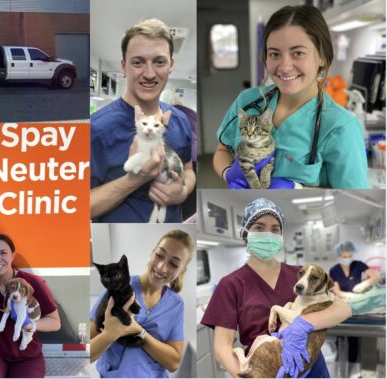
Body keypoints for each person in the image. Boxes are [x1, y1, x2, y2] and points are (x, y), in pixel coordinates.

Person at [213, 5, 369, 189]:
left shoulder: (341, 128)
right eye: (274, 54)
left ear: (322, 57)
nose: (285, 66)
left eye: (298, 53)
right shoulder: (248, 102)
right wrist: (228, 174)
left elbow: (352, 202)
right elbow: (223, 150)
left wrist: (297, 189)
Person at [201, 198, 352, 378]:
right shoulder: (230, 284)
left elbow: (343, 308)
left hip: (309, 362)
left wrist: (304, 325)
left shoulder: (300, 275)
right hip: (267, 366)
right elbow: (222, 348)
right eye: (259, 227)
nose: (268, 234)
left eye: (275, 229)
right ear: (245, 233)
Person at [90, 18, 196, 223]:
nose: (149, 73)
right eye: (138, 62)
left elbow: (189, 169)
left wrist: (182, 192)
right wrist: (134, 180)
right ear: (123, 66)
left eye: (159, 62)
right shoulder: (96, 128)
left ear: (171, 65)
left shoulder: (180, 119)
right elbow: (78, 205)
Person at [89, 230, 193, 377]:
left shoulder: (176, 304)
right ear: (152, 253)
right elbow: (86, 354)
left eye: (174, 264)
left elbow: (173, 363)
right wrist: (108, 335)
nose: (162, 267)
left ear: (182, 270)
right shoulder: (116, 288)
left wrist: (139, 331)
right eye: (159, 255)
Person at [0, 233, 60, 378]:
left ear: (13, 255)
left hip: (27, 355)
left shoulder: (31, 283)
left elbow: (55, 322)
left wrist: (30, 324)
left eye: (3, 253)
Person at [328, 240, 380, 376]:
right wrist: (349, 295)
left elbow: (375, 276)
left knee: (354, 340)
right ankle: (340, 369)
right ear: (339, 255)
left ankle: (353, 370)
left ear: (352, 254)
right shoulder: (334, 270)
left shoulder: (359, 265)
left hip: (358, 306)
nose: (347, 259)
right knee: (340, 339)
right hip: (342, 305)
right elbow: (337, 291)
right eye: (344, 257)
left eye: (349, 256)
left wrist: (365, 284)